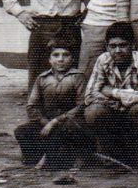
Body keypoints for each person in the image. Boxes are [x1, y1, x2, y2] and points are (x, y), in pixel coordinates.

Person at [84, 22, 138, 167]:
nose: (117, 50)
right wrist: (119, 97)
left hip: (133, 113)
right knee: (93, 111)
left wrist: (111, 92)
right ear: (107, 47)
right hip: (111, 112)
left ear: (133, 45)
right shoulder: (103, 59)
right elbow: (89, 96)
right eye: (113, 46)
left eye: (123, 45)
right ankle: (108, 155)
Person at [13, 38, 93, 171]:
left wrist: (55, 122)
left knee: (63, 134)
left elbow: (81, 105)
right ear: (49, 59)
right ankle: (41, 156)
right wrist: (44, 121)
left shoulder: (78, 77)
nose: (60, 59)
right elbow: (31, 106)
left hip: (70, 122)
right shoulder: (42, 78)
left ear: (72, 59)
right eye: (56, 55)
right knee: (22, 131)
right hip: (47, 122)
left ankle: (67, 157)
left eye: (65, 55)